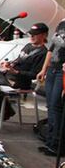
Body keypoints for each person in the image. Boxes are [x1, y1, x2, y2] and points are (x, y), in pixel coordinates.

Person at [37, 20, 65, 156]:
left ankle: (56, 144)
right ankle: (49, 141)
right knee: (50, 105)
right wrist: (44, 69)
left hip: (62, 71)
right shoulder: (61, 24)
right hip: (53, 68)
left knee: (56, 105)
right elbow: (51, 49)